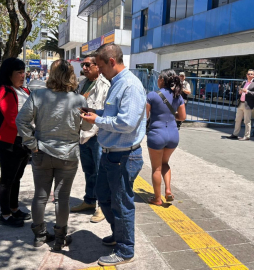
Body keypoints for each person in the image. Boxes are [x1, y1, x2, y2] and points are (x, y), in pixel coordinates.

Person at [80, 44, 146, 266]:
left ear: (111, 62)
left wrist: (96, 120)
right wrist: (97, 113)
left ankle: (126, 250)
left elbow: (126, 123)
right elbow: (114, 114)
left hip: (123, 156)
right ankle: (119, 236)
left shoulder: (130, 85)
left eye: (99, 66)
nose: (98, 71)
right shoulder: (115, 83)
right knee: (105, 197)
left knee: (120, 203)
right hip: (111, 155)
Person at [16, 59, 92, 249]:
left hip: (41, 152)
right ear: (71, 75)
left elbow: (21, 121)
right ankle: (60, 238)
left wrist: (31, 144)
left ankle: (39, 235)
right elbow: (88, 126)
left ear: (51, 74)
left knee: (40, 196)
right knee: (62, 198)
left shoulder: (38, 95)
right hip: (68, 155)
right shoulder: (79, 100)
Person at [0, 58, 31, 227]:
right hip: (8, 142)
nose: (23, 75)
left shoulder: (24, 91)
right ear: (9, 74)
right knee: (7, 179)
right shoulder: (4, 91)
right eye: (19, 72)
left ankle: (14, 208)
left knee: (17, 177)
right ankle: (5, 214)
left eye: (23, 71)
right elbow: (13, 119)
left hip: (23, 140)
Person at [70, 55, 111, 223]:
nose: (84, 67)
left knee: (101, 172)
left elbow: (102, 111)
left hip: (97, 134)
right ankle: (89, 200)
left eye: (88, 65)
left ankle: (102, 206)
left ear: (97, 67)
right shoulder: (82, 83)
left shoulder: (104, 85)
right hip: (83, 134)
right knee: (88, 170)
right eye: (83, 65)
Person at [146, 70, 186, 206]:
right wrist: (171, 115)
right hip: (173, 135)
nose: (157, 80)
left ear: (162, 80)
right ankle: (168, 190)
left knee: (156, 168)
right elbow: (182, 117)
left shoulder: (152, 95)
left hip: (157, 134)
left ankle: (157, 199)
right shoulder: (178, 96)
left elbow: (144, 116)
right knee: (165, 163)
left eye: (158, 78)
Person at [226, 69, 254, 141]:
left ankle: (247, 136)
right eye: (248, 74)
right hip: (241, 103)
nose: (249, 75)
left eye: (251, 74)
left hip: (248, 104)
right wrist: (240, 92)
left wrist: (247, 91)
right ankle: (235, 134)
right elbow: (241, 91)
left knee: (247, 121)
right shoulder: (244, 82)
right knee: (237, 119)